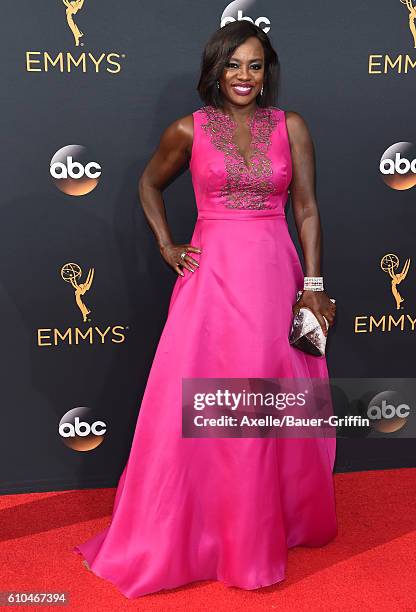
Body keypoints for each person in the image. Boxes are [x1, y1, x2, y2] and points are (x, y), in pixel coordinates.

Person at [73, 20, 338, 598]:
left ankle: (272, 525)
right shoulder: (186, 131)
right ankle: (211, 532)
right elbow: (148, 184)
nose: (244, 76)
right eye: (233, 64)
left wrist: (313, 284)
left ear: (268, 73)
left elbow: (308, 209)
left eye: (255, 65)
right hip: (213, 280)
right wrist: (168, 244)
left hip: (275, 275)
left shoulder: (289, 126)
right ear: (215, 69)